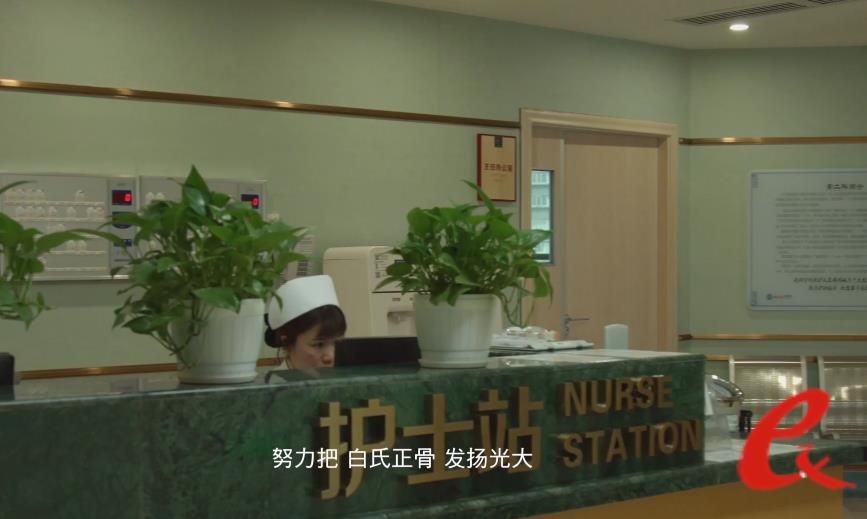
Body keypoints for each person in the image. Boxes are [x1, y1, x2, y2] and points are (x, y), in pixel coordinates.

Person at [264, 275, 346, 369]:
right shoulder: (276, 379)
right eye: (319, 345)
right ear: (287, 342)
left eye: (337, 343)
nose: (331, 356)